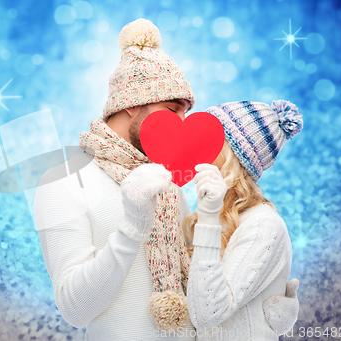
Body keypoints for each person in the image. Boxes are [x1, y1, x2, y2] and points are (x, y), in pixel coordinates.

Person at [34, 19, 299, 341]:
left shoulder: (169, 186)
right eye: (174, 110)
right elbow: (75, 310)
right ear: (131, 105)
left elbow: (203, 283)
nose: (182, 126)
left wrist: (263, 312)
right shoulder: (61, 182)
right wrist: (132, 228)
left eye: (186, 113)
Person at [184, 100, 303, 340]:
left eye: (210, 139)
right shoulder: (213, 214)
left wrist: (207, 218)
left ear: (234, 156)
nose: (197, 145)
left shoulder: (263, 225)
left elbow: (208, 314)